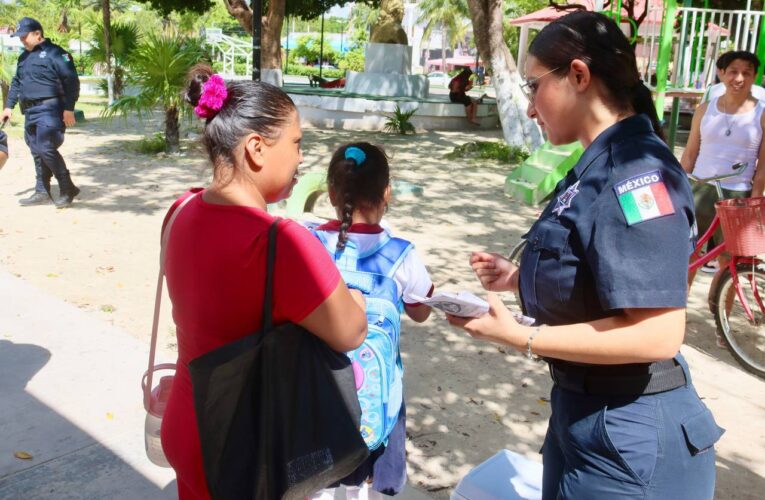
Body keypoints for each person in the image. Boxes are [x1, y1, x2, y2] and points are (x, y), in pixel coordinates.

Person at [448, 12, 724, 499]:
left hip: (630, 438)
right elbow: (596, 267)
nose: (530, 108)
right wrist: (519, 279)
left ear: (578, 75)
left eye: (533, 86)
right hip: (586, 418)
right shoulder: (596, 164)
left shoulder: (638, 173)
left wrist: (524, 337)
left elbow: (658, 332)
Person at [160, 64, 368, 499]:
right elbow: (350, 331)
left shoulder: (181, 209)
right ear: (256, 148)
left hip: (187, 420)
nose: (301, 158)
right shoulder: (280, 243)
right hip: (245, 443)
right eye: (296, 143)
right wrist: (354, 298)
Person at [308, 142, 433, 500]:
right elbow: (421, 311)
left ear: (331, 192)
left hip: (320, 391)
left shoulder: (311, 243)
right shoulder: (400, 253)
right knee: (374, 482)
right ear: (386, 193)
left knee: (319, 479)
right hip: (379, 399)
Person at [681, 51, 765, 283]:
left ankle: (721, 314)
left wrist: (755, 201)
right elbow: (689, 154)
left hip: (736, 195)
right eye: (733, 72)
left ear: (755, 77)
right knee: (687, 257)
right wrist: (677, 188)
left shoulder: (762, 114)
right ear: (721, 73)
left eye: (746, 73)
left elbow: (763, 167)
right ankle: (680, 316)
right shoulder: (705, 109)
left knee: (731, 264)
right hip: (699, 189)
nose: (739, 78)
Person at [1, 17, 80, 207]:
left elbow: (72, 81)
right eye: (19, 37)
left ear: (37, 34)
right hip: (30, 110)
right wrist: (8, 107)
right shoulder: (24, 57)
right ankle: (42, 190)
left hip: (51, 108)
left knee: (45, 146)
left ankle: (66, 186)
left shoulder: (57, 54)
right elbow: (17, 83)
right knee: (36, 150)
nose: (21, 40)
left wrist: (69, 109)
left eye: (24, 36)